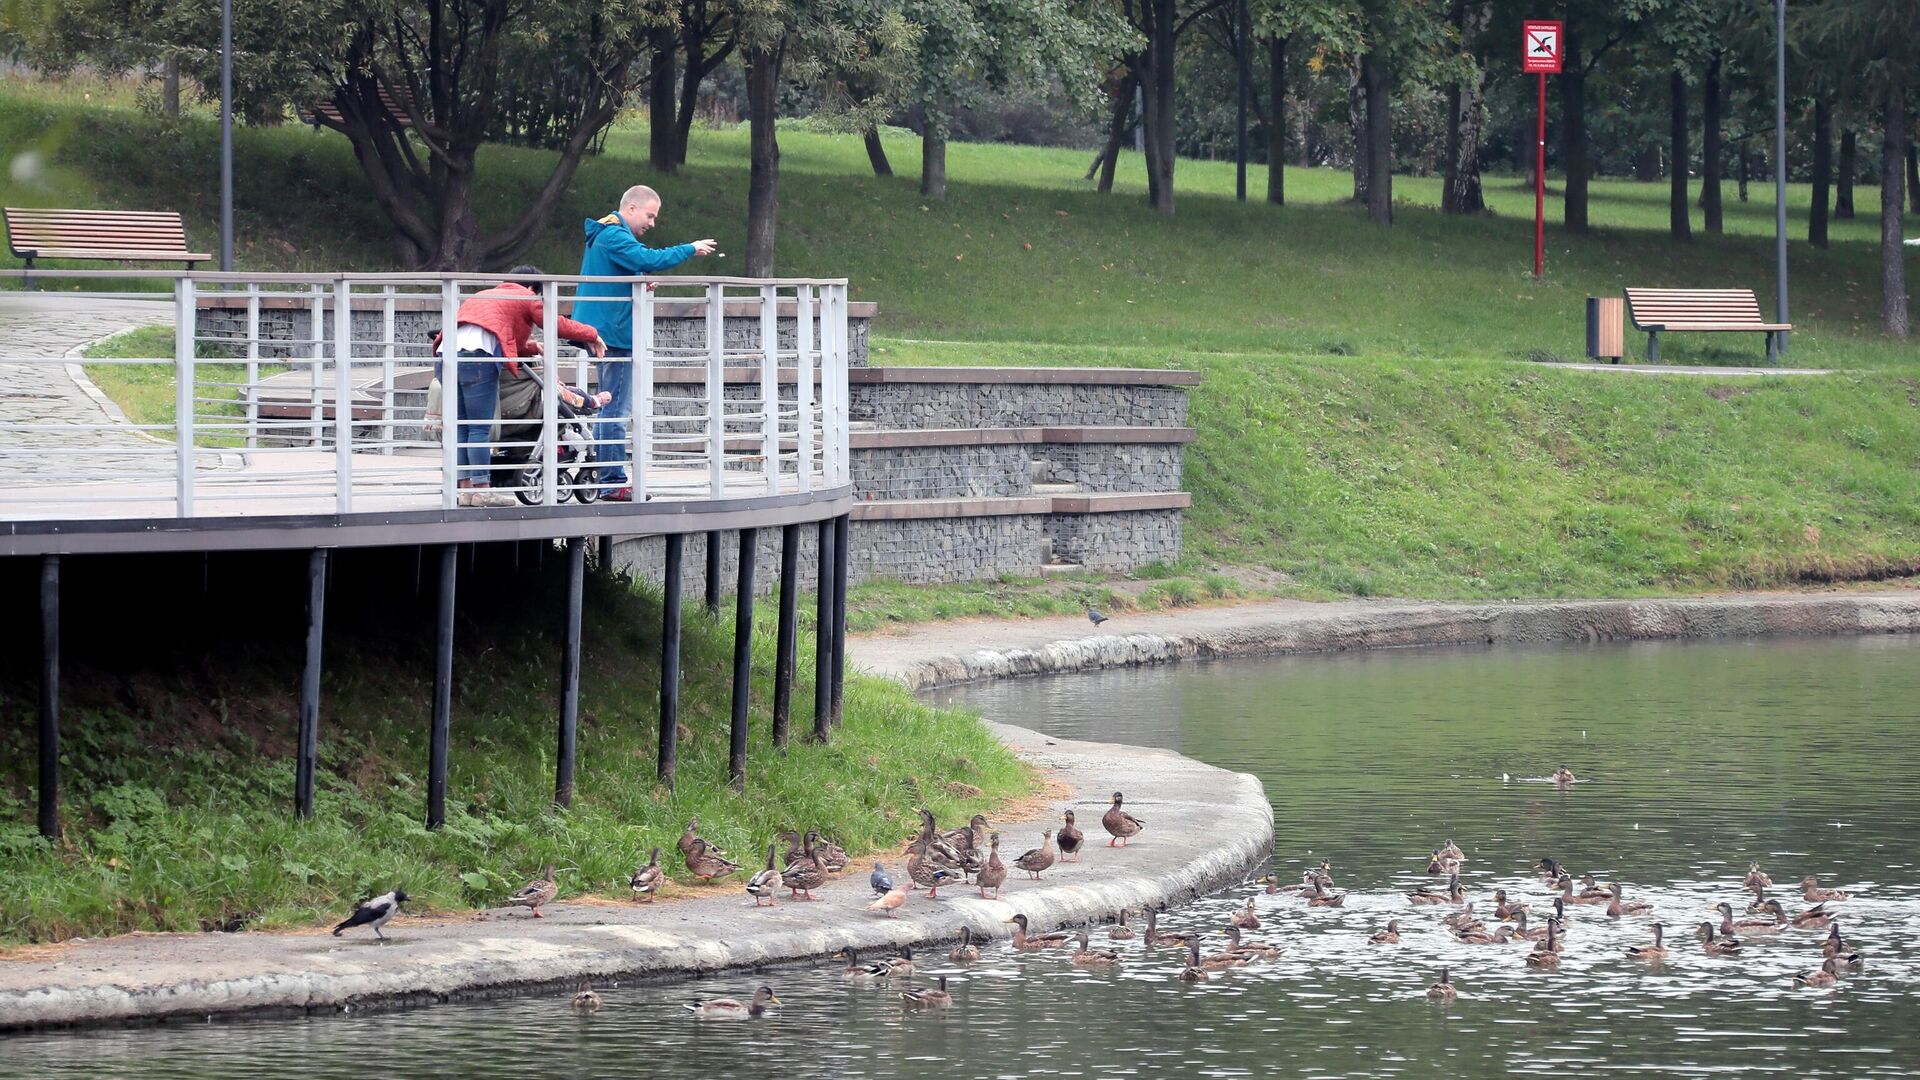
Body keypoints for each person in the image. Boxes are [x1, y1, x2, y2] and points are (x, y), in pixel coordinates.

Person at [573, 185, 717, 501]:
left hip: (603, 330)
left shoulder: (605, 233)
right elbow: (647, 257)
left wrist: (638, 278)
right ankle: (612, 481)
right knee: (614, 408)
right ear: (632, 208)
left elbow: (629, 265)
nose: (652, 223)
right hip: (614, 335)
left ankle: (604, 476)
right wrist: (689, 248)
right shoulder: (614, 235)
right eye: (650, 215)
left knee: (608, 403)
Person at [432, 265, 607, 507]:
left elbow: (501, 335)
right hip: (476, 359)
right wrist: (592, 334)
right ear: (533, 288)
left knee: (461, 427)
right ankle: (483, 490)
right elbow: (555, 324)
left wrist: (532, 347)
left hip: (445, 357)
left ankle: (466, 491)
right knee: (479, 429)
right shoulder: (524, 296)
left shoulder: (485, 295)